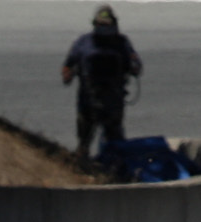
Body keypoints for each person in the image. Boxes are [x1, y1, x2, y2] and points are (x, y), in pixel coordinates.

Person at [61, 6, 142, 156]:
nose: (103, 28)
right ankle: (82, 168)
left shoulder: (122, 43)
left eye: (106, 25)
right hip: (88, 100)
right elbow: (68, 64)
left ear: (114, 24)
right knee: (84, 141)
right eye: (100, 24)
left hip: (113, 100)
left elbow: (136, 65)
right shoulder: (84, 42)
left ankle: (115, 170)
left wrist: (133, 66)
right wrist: (68, 75)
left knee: (115, 141)